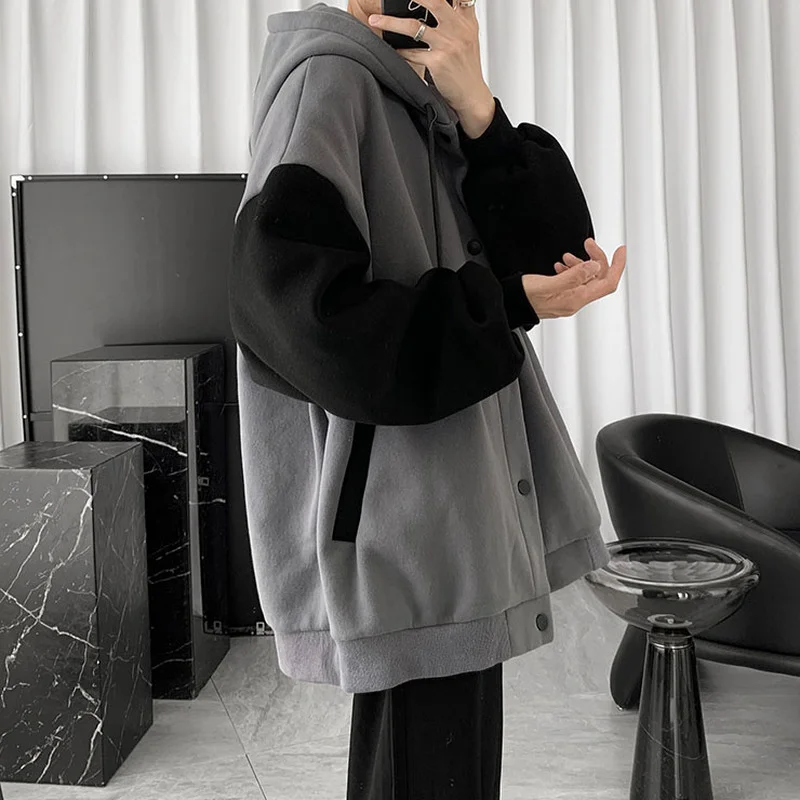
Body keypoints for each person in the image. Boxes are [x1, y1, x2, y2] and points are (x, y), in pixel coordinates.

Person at [228, 0, 627, 797]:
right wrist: (501, 305)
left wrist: (480, 111)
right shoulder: (330, 85)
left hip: (450, 505)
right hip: (401, 521)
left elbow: (553, 254)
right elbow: (298, 318)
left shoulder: (419, 103)